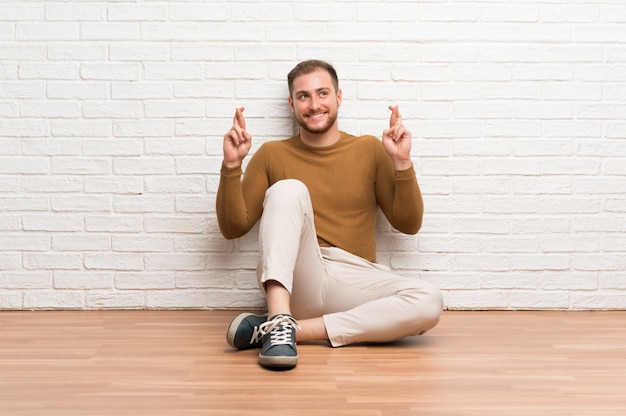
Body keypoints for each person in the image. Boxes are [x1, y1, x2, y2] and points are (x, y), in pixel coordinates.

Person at [216, 59, 443, 370]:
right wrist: (231, 166)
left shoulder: (369, 149)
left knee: (429, 300)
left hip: (354, 277)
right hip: (299, 276)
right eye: (304, 96)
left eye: (322, 93)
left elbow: (408, 224)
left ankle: (282, 329)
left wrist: (402, 163)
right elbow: (233, 228)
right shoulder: (272, 154)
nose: (314, 104)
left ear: (338, 97)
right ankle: (280, 314)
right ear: (292, 104)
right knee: (289, 189)